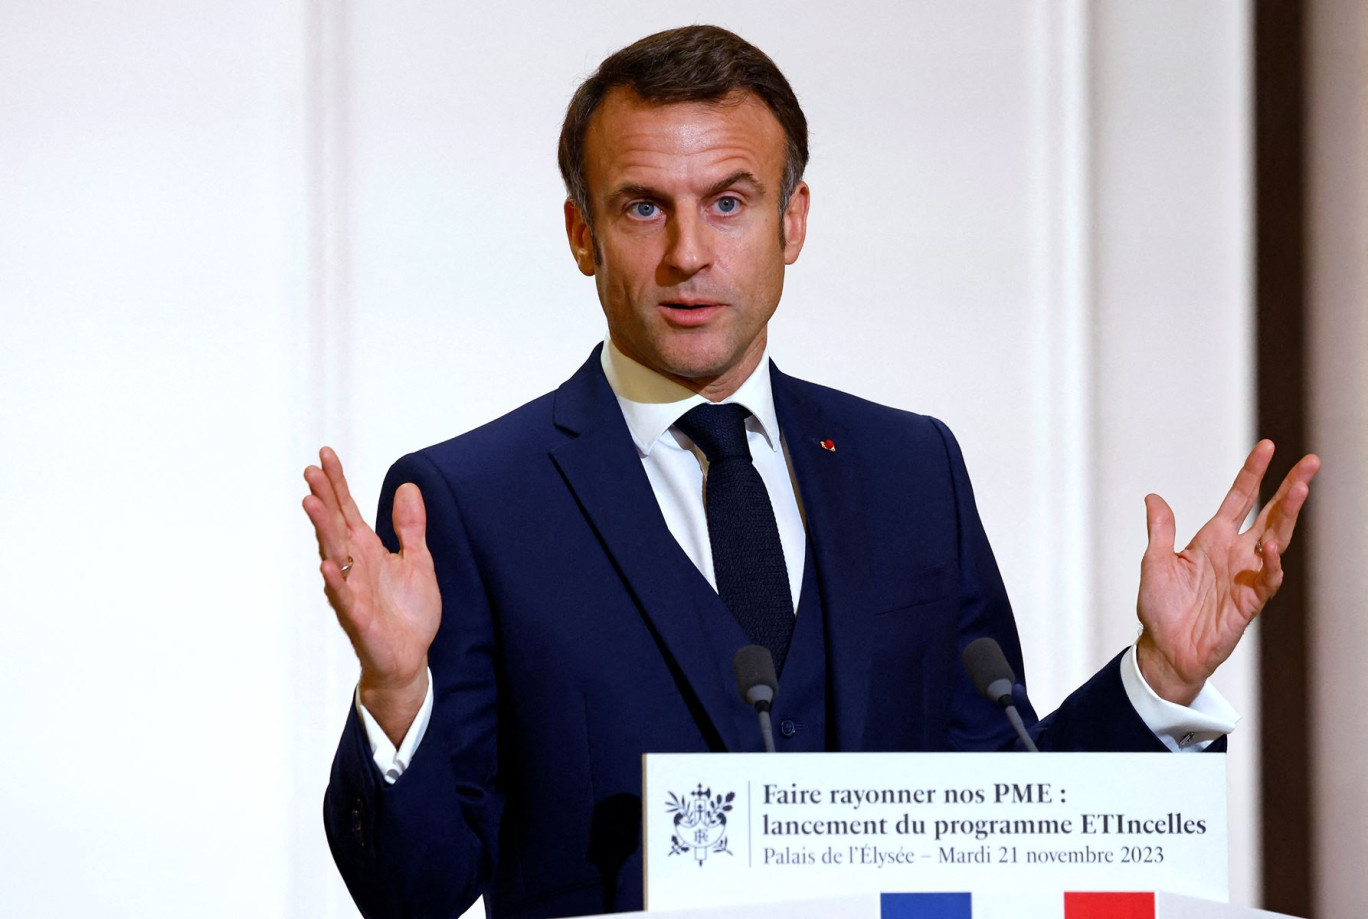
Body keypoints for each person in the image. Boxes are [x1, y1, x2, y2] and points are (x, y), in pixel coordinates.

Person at [301, 25, 1319, 919]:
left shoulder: (912, 469)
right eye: (644, 208)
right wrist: (395, 690)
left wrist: (1164, 677)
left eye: (730, 202)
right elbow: (415, 892)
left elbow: (1011, 817)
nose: (689, 252)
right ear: (581, 234)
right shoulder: (474, 504)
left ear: (792, 222)